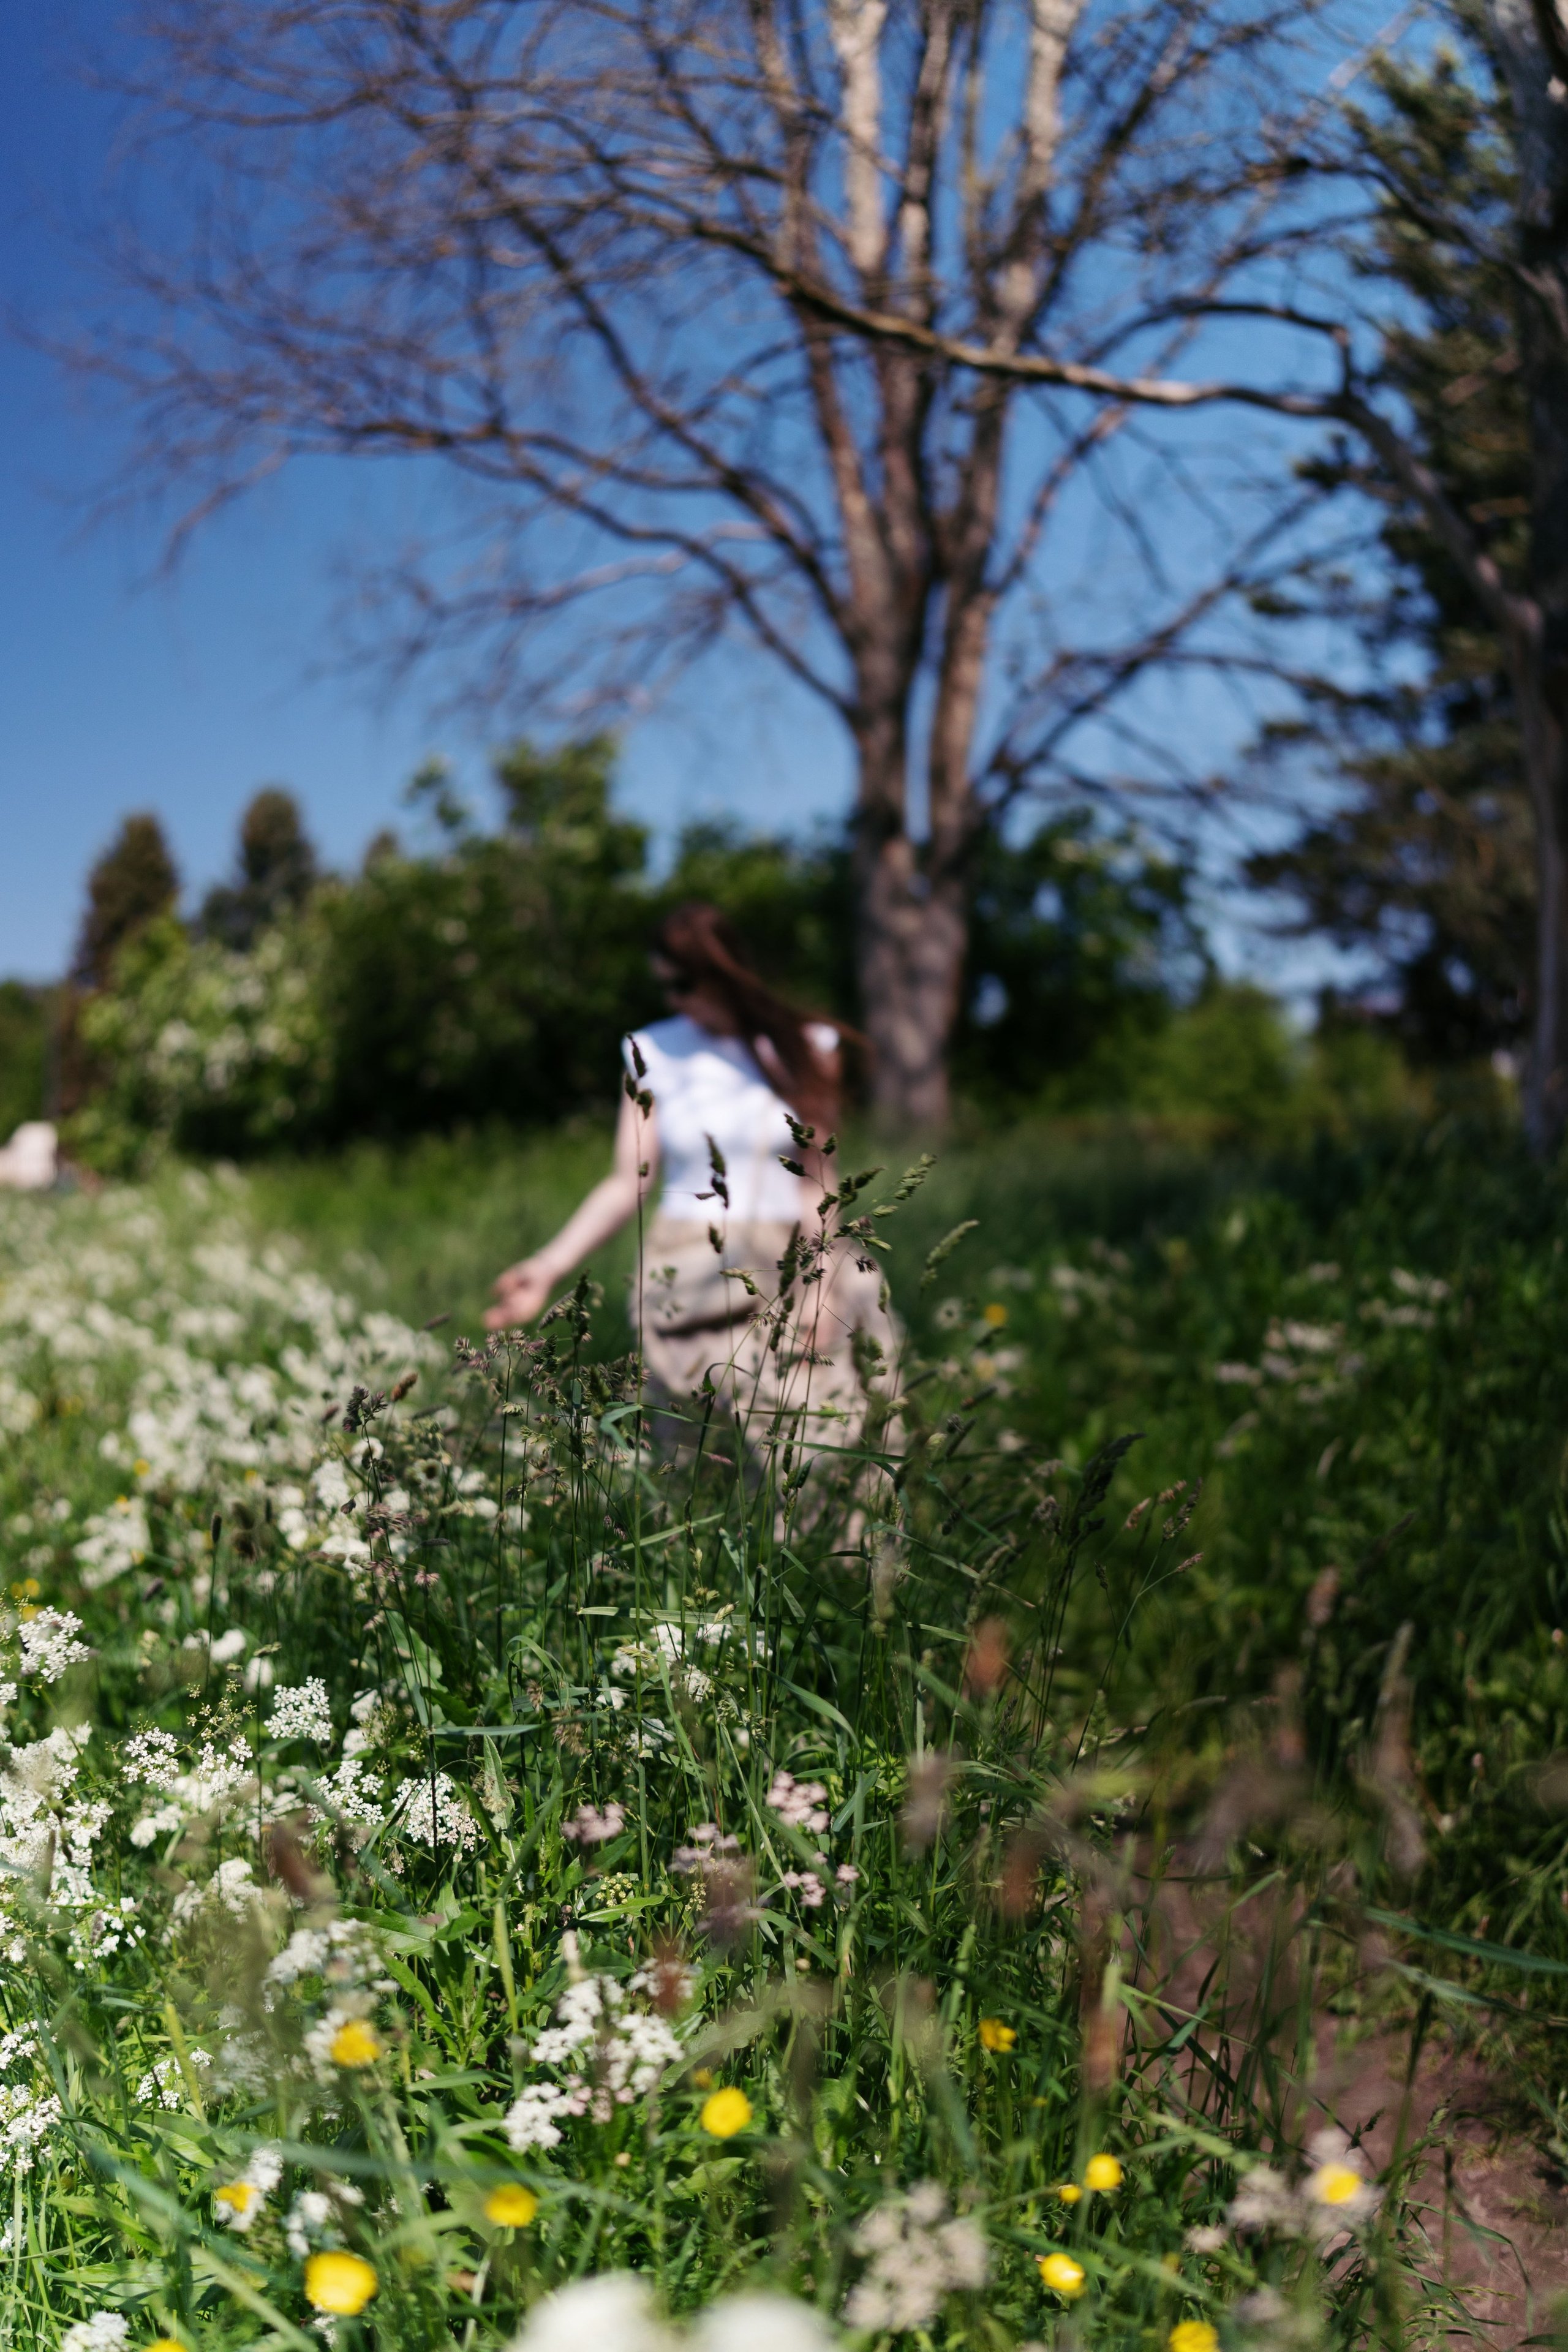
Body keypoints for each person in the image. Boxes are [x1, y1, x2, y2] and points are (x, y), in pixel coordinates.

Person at [486, 903, 898, 1476]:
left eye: (682, 983)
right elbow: (626, 1181)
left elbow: (818, 1185)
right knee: (690, 1457)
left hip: (791, 1257)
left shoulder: (806, 1045)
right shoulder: (650, 1051)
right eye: (663, 986)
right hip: (690, 1265)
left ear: (724, 970)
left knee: (816, 1442)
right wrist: (548, 1266)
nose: (673, 999)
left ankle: (830, 1564)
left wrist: (823, 1287)